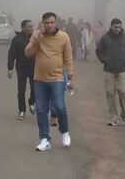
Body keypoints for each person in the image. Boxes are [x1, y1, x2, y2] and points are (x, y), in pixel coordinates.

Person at [25, 12, 74, 151]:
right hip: (39, 79)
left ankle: (65, 132)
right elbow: (27, 53)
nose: (49, 25)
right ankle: (44, 139)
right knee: (41, 110)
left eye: (52, 22)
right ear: (43, 23)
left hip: (57, 78)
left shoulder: (63, 37)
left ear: (56, 23)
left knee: (59, 107)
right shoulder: (37, 35)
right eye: (47, 23)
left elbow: (68, 58)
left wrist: (70, 77)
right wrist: (37, 40)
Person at [96, 18, 125, 126]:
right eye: (115, 27)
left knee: (122, 92)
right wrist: (104, 60)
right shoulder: (105, 38)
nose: (117, 29)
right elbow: (99, 50)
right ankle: (113, 116)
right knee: (110, 93)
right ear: (111, 27)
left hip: (122, 69)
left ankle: (124, 114)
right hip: (109, 70)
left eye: (119, 27)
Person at [7, 20, 36, 120]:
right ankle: (22, 110)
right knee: (21, 90)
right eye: (29, 27)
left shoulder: (36, 38)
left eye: (32, 26)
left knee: (35, 88)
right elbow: (11, 54)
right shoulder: (17, 39)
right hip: (21, 68)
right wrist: (10, 68)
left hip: (34, 68)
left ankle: (31, 102)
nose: (32, 28)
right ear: (23, 28)